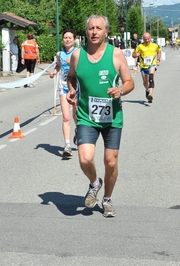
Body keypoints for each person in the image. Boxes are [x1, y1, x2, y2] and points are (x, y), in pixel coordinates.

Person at [66, 14, 134, 218]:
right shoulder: (77, 56)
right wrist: (71, 90)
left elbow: (130, 82)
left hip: (112, 117)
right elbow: (71, 77)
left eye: (98, 28)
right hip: (87, 115)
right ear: (85, 32)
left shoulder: (116, 55)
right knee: (85, 159)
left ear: (106, 32)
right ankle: (95, 183)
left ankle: (107, 199)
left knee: (110, 162)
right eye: (91, 28)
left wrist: (120, 90)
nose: (94, 32)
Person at [49, 29, 79, 157]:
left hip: (77, 87)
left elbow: (83, 67)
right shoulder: (59, 54)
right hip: (63, 86)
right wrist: (54, 71)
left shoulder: (78, 53)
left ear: (74, 40)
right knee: (66, 117)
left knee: (76, 116)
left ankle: (79, 131)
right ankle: (67, 146)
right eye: (65, 37)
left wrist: (73, 63)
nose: (67, 40)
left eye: (70, 38)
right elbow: (58, 65)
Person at [132, 32, 161, 103]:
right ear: (143, 39)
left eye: (148, 39)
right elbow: (133, 55)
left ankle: (150, 95)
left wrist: (158, 60)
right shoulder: (140, 46)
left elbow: (159, 51)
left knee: (151, 79)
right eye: (145, 39)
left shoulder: (155, 45)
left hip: (152, 65)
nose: (147, 40)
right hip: (143, 66)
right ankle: (147, 90)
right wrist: (136, 55)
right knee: (145, 82)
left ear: (150, 38)